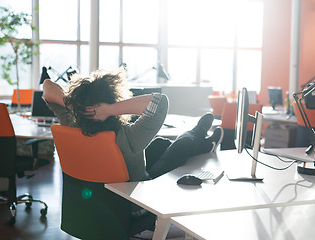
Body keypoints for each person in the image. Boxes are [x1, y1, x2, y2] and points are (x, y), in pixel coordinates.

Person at [42, 68, 223, 181]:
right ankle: (200, 130)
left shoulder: (70, 123)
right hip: (133, 202)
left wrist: (75, 106)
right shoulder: (128, 139)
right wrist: (110, 109)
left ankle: (207, 145)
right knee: (181, 145)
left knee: (161, 144)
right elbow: (160, 103)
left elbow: (47, 86)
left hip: (92, 199)